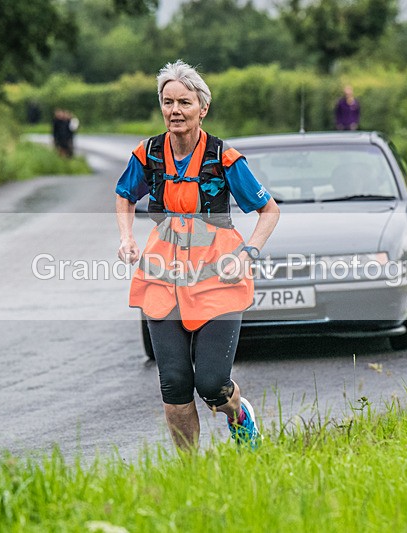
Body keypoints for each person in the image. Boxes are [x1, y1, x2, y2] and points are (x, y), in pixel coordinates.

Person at [115, 60, 280, 450]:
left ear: (202, 108)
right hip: (163, 276)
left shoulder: (224, 157)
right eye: (168, 102)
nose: (175, 110)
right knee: (173, 383)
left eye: (184, 103)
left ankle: (240, 416)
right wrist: (127, 237)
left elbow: (269, 211)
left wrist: (248, 253)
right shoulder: (148, 153)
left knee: (211, 384)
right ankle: (190, 473)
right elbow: (124, 195)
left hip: (217, 277)